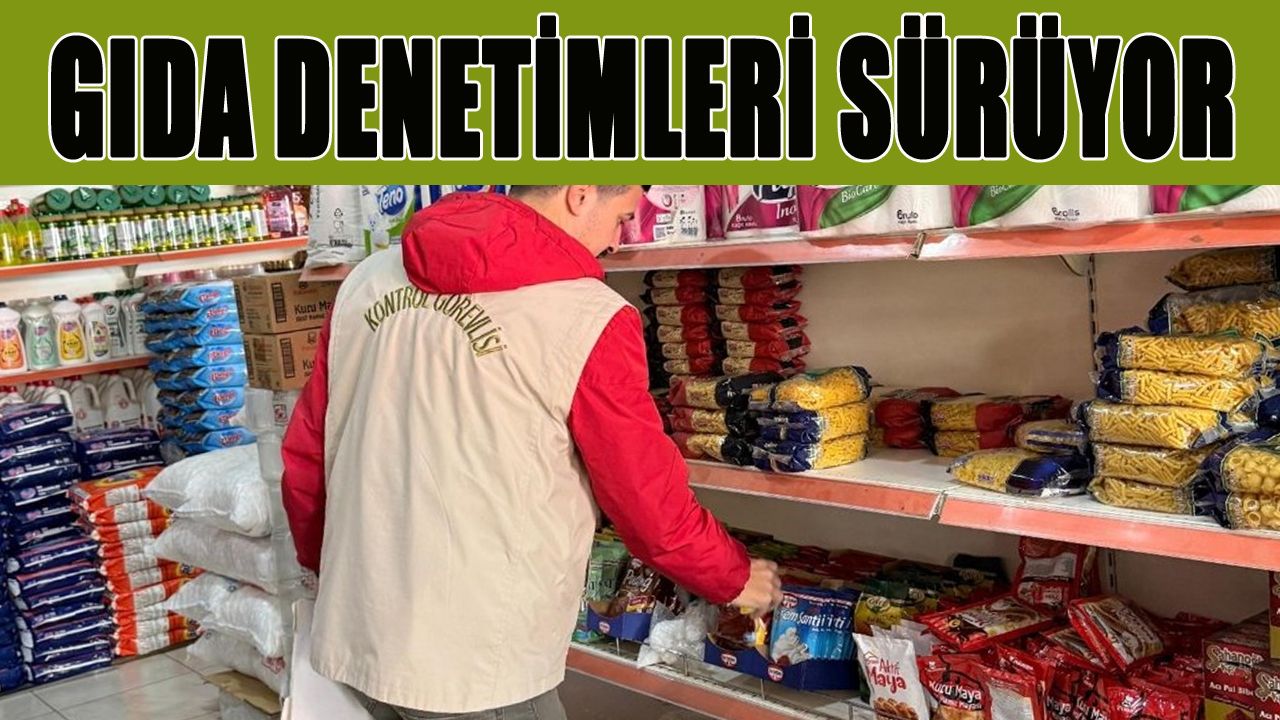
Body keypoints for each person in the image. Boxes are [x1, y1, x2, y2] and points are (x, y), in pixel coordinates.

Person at [281, 185, 783, 720]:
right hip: (476, 665)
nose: (617, 241)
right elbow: (645, 500)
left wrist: (328, 570)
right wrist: (732, 575)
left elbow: (309, 454)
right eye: (621, 218)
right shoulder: (587, 316)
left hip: (358, 630)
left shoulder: (368, 280)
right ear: (579, 195)